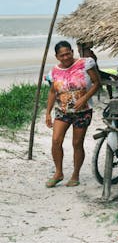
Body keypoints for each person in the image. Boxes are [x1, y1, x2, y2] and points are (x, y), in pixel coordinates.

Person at [45, 40, 101, 188]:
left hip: (83, 111)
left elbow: (97, 83)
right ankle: (58, 173)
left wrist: (84, 98)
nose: (65, 57)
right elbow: (52, 92)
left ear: (72, 52)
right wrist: (48, 113)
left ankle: (75, 175)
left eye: (67, 53)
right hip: (62, 111)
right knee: (56, 141)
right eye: (62, 55)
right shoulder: (53, 72)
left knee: (77, 143)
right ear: (57, 56)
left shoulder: (85, 63)